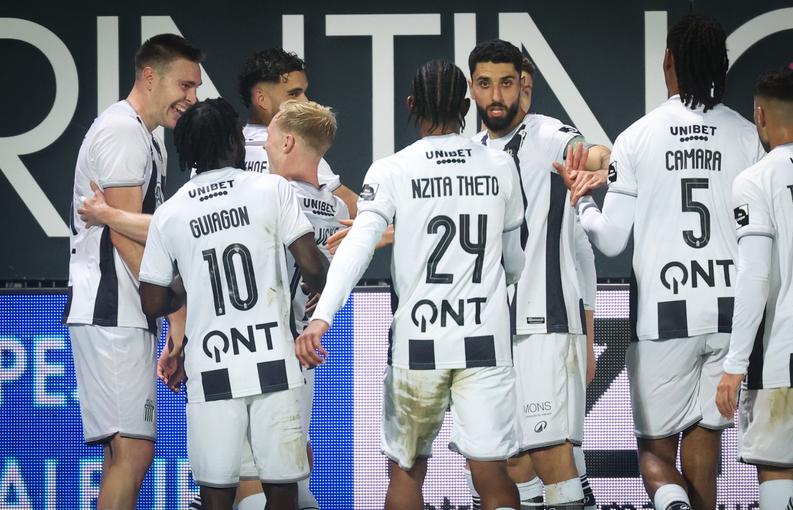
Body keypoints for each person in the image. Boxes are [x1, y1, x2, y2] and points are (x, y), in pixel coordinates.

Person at [296, 59, 526, 510]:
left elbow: (358, 246)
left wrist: (322, 318)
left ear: (410, 104)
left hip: (418, 343)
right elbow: (513, 263)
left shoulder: (392, 169)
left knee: (406, 469)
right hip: (485, 341)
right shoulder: (501, 165)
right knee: (490, 472)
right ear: (466, 105)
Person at [558, 14, 766, 510]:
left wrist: (582, 202)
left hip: (663, 316)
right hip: (728, 315)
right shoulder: (744, 135)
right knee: (705, 449)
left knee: (653, 454)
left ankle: (669, 501)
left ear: (667, 61)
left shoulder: (637, 138)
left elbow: (610, 241)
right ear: (722, 65)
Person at [138, 98, 329, 509]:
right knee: (282, 490)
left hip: (211, 370)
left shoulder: (170, 213)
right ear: (233, 141)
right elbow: (312, 267)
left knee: (216, 494)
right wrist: (322, 286)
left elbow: (152, 302)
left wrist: (193, 281)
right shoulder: (271, 188)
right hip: (274, 365)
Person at [466, 39, 609, 510]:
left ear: (521, 84)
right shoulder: (470, 154)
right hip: (489, 328)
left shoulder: (549, 134)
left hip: (544, 325)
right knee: (509, 460)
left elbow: (593, 155)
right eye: (485, 84)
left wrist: (599, 167)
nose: (497, 96)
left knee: (551, 454)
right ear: (472, 88)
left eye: (506, 83)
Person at [64, 33, 202, 509]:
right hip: (111, 310)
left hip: (127, 312)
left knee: (124, 452)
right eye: (184, 85)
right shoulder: (123, 132)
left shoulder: (149, 138)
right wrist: (169, 311)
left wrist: (170, 324)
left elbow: (146, 234)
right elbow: (125, 238)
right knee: (135, 450)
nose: (192, 98)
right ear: (149, 77)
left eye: (196, 87)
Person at [716, 69, 793, 509]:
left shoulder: (755, 180)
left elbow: (754, 276)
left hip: (782, 352)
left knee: (777, 477)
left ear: (759, 114)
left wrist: (734, 363)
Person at [238, 48, 358, 217]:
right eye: (294, 93)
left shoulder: (227, 149)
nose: (305, 101)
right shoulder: (293, 146)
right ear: (261, 99)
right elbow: (355, 209)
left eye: (303, 92)